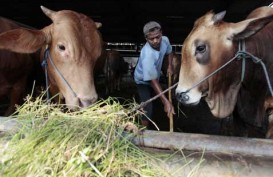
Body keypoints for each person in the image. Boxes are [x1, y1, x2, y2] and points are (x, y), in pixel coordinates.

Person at [134, 21, 175, 128]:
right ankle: (143, 130)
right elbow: (153, 81)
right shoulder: (147, 54)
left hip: (154, 75)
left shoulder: (165, 40)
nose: (156, 41)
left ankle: (154, 119)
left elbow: (169, 52)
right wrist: (166, 102)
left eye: (158, 37)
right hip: (142, 80)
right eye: (151, 39)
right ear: (146, 38)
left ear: (161, 33)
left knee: (157, 98)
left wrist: (170, 65)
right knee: (147, 105)